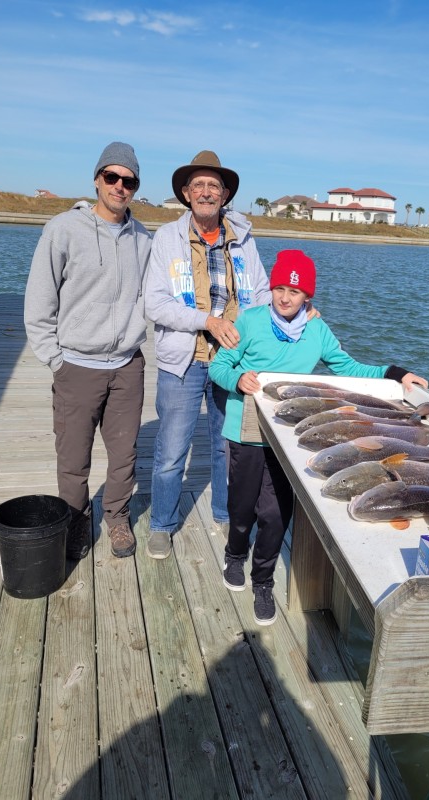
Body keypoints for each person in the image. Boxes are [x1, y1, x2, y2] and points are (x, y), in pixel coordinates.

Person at [209, 249, 428, 625]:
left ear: (307, 296)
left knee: (276, 515)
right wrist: (237, 379)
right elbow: (219, 364)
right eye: (278, 288)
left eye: (293, 292)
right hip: (245, 429)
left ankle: (262, 581)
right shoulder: (251, 321)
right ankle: (234, 555)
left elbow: (350, 368)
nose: (284, 297)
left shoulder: (317, 331)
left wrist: (397, 373)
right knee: (242, 506)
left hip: (291, 435)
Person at [24, 142, 151, 560]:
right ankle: (76, 523)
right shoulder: (63, 229)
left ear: (135, 187)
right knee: (73, 460)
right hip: (76, 366)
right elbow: (40, 301)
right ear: (97, 179)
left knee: (124, 455)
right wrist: (55, 360)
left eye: (128, 180)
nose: (119, 186)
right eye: (111, 177)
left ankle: (116, 518)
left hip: (127, 367)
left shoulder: (143, 239)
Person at [143, 150, 272, 560]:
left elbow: (265, 296)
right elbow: (156, 304)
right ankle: (162, 524)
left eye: (213, 186)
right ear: (185, 193)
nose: (205, 192)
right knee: (171, 450)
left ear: (225, 194)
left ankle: (224, 512)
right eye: (197, 185)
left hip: (231, 362)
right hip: (184, 361)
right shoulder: (166, 239)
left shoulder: (244, 240)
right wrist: (207, 322)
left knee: (225, 446)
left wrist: (301, 309)